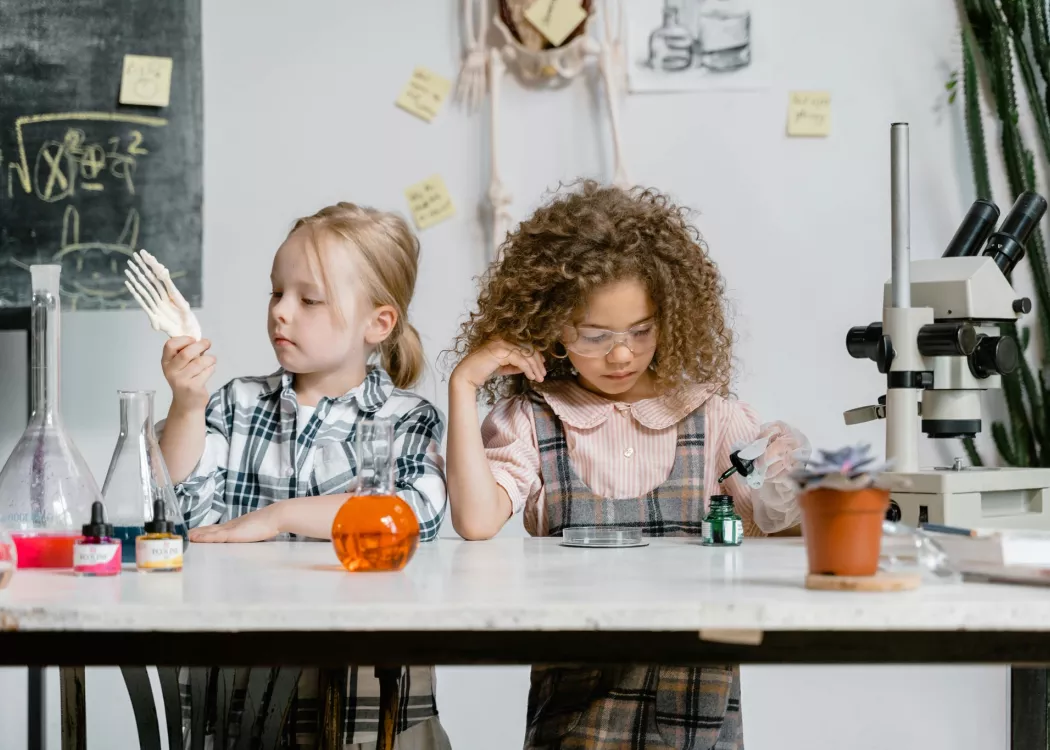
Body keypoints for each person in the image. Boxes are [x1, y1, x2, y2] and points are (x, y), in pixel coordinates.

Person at [446, 180, 808, 749]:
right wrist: (464, 384)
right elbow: (475, 520)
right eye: (595, 336)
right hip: (577, 712)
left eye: (642, 331)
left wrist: (796, 483)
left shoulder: (711, 416)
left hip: (698, 710)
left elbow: (778, 520)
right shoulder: (534, 421)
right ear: (553, 331)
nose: (621, 354)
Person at [159, 201, 451, 749]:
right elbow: (180, 512)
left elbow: (412, 520)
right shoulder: (234, 404)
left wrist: (278, 517)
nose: (281, 312)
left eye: (308, 299)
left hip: (372, 708)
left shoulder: (409, 419)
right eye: (276, 292)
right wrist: (186, 405)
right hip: (240, 699)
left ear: (378, 322)